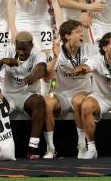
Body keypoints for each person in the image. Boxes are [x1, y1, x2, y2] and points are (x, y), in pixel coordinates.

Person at [5, 0, 63, 96]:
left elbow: (56, 4)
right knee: (21, 62)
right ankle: (21, 96)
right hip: (21, 21)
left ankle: (45, 97)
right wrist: (13, 30)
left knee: (46, 63)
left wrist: (61, 30)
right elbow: (10, 5)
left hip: (42, 22)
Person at [0, 31, 47, 159]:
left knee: (39, 101)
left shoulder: (38, 53)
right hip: (7, 95)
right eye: (18, 49)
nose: (21, 52)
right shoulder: (6, 51)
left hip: (26, 95)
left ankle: (33, 148)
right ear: (15, 45)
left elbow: (42, 69)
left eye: (24, 49)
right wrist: (1, 62)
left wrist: (33, 76)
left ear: (31, 45)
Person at [43, 20, 95, 159]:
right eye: (77, 32)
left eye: (82, 31)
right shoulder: (57, 51)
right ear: (67, 36)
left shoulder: (89, 49)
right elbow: (46, 78)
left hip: (82, 92)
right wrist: (54, 57)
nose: (81, 34)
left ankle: (82, 146)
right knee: (47, 103)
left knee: (78, 100)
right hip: (61, 95)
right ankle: (50, 148)